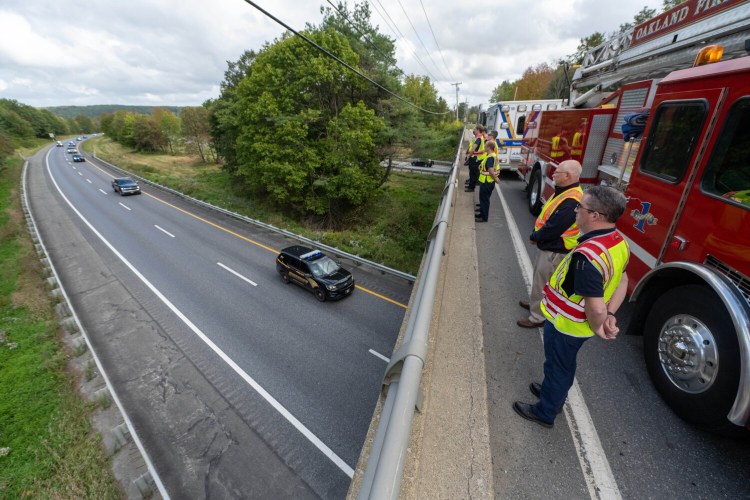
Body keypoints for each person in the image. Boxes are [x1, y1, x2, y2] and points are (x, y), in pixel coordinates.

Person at [513, 185, 630, 428]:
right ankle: (551, 393)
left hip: (568, 325)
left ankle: (545, 411)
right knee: (562, 365)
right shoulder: (617, 241)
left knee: (558, 366)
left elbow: (595, 307)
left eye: (581, 207)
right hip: (575, 326)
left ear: (595, 215)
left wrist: (601, 322)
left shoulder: (587, 256)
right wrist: (610, 314)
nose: (576, 210)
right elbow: (624, 279)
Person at [517, 160, 583, 328]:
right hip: (550, 246)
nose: (553, 175)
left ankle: (537, 317)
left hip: (554, 249)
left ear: (567, 176)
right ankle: (535, 304)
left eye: (557, 172)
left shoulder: (572, 200)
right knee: (540, 280)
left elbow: (553, 228)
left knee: (543, 282)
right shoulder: (566, 192)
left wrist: (535, 236)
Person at [474, 141, 500, 222]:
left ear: (489, 147)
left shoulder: (490, 157)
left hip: (487, 182)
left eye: (485, 146)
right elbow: (485, 166)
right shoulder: (491, 156)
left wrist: (495, 178)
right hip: (487, 181)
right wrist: (480, 166)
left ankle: (484, 217)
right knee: (483, 199)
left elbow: (491, 170)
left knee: (485, 200)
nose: (484, 147)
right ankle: (482, 213)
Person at [465, 125, 486, 192]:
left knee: (473, 174)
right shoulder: (478, 137)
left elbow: (473, 148)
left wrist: (468, 156)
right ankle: (470, 186)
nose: (474, 130)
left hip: (475, 159)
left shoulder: (478, 138)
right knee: (472, 173)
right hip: (475, 158)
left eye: (475, 129)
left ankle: (471, 188)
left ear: (478, 130)